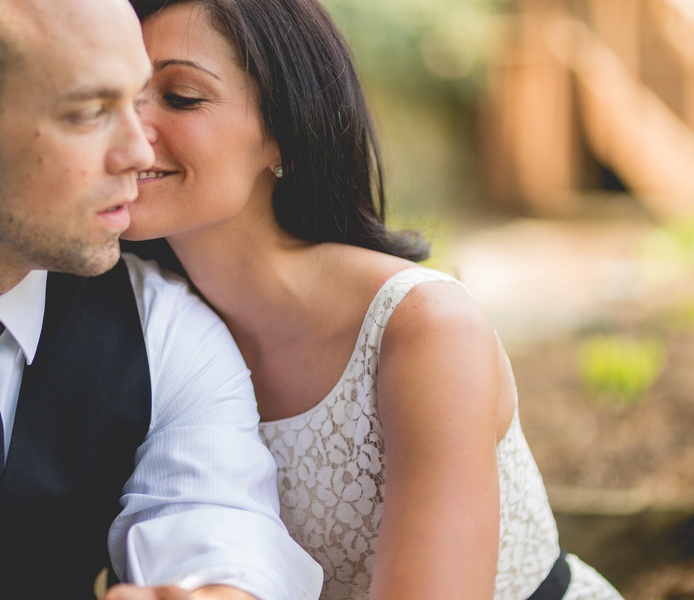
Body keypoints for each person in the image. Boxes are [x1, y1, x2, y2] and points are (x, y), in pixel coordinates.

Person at [0, 0, 323, 598]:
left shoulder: (165, 332)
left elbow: (222, 532)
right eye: (91, 113)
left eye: (139, 98)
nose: (140, 152)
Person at [121, 0, 625, 599]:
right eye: (114, 95)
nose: (129, 128)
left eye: (180, 97)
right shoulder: (127, 320)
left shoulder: (423, 328)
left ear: (283, 131)